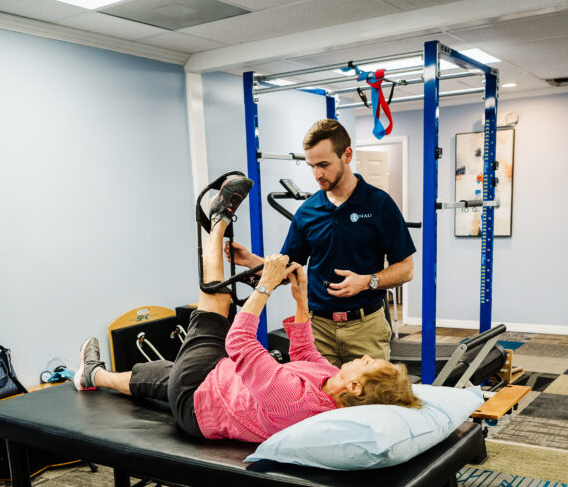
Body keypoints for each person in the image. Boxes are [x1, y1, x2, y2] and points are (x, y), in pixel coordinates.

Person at [74, 174, 421, 443]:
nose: (363, 359)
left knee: (216, 302)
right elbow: (304, 352)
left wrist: (267, 287)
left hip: (200, 399)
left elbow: (239, 342)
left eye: (367, 364)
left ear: (356, 388)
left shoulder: (298, 403)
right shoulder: (331, 384)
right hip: (223, 383)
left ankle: (216, 220)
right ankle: (91, 375)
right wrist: (301, 301)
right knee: (158, 376)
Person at [227, 118, 416, 367]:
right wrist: (250, 260)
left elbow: (406, 268)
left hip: (365, 327)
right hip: (317, 328)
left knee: (369, 402)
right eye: (312, 166)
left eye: (324, 165)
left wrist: (368, 281)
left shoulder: (380, 204)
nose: (317, 174)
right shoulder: (308, 211)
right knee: (317, 402)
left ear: (346, 155)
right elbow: (287, 270)